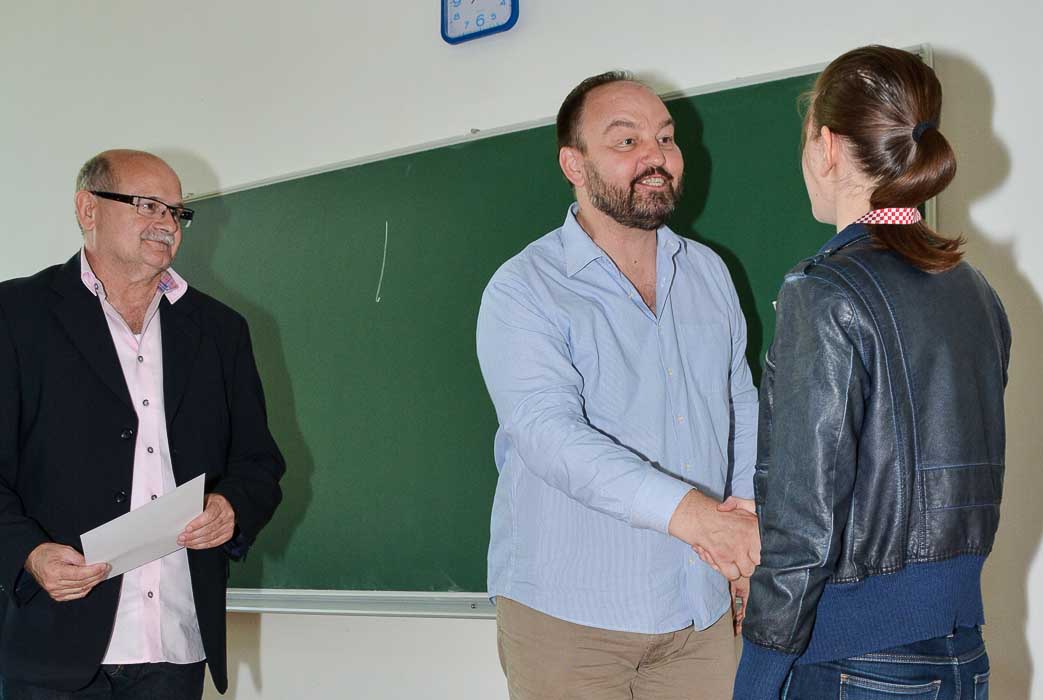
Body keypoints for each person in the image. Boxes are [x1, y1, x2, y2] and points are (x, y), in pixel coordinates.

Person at [733, 46, 1010, 699]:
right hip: (961, 654)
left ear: (827, 146)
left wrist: (758, 676)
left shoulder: (823, 290)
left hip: (853, 663)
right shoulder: (973, 288)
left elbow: (806, 523)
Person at [476, 71, 761, 699]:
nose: (656, 157)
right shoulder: (524, 287)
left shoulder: (710, 273)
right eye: (627, 141)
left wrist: (742, 524)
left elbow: (739, 400)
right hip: (569, 615)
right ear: (573, 165)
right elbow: (548, 434)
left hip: (700, 608)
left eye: (666, 138)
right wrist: (695, 518)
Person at [0, 150, 285, 699]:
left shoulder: (220, 330)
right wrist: (29, 555)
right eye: (147, 205)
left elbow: (258, 462)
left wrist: (231, 507)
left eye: (176, 212)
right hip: (54, 642)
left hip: (175, 643)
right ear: (88, 209)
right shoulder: (16, 315)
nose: (166, 223)